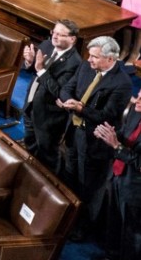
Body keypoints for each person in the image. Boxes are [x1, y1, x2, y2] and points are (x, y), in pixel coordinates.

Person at [56, 36, 133, 237]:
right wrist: (67, 101)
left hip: (95, 142)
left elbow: (106, 115)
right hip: (73, 133)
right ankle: (66, 219)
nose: (89, 60)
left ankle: (82, 229)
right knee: (69, 177)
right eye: (89, 55)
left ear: (111, 59)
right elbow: (67, 88)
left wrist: (80, 108)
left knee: (88, 188)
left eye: (95, 57)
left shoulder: (122, 83)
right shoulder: (86, 67)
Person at [21, 20, 82, 173]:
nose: (54, 37)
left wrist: (41, 70)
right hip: (31, 105)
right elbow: (34, 70)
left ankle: (47, 184)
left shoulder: (74, 63)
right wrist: (29, 62)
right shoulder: (47, 45)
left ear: (72, 39)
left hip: (49, 117)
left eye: (60, 34)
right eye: (53, 32)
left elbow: (59, 91)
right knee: (29, 143)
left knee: (46, 155)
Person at [94, 88, 141, 260]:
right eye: (139, 96)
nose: (136, 100)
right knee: (113, 221)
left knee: (131, 234)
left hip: (135, 190)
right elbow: (124, 134)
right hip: (116, 175)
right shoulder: (136, 113)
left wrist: (117, 146)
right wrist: (110, 135)